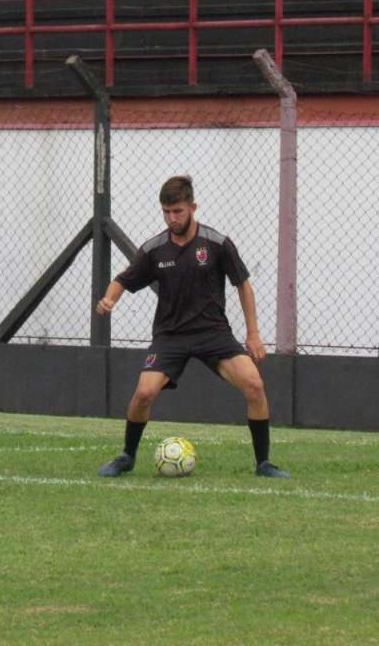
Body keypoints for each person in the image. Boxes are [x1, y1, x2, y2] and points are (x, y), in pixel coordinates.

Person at [95, 175, 290, 479]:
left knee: (254, 384)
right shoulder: (155, 249)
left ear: (193, 207)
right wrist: (109, 299)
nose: (172, 219)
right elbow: (123, 279)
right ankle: (127, 456)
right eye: (166, 212)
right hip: (170, 337)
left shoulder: (217, 244)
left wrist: (253, 334)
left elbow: (244, 286)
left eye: (178, 212)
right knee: (144, 393)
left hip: (213, 334)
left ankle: (264, 463)